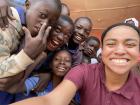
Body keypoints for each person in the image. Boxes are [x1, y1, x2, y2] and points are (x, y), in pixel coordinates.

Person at [11, 22, 140, 105]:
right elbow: (50, 101)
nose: (119, 51)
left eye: (130, 44)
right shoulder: (83, 71)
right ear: (103, 51)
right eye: (111, 44)